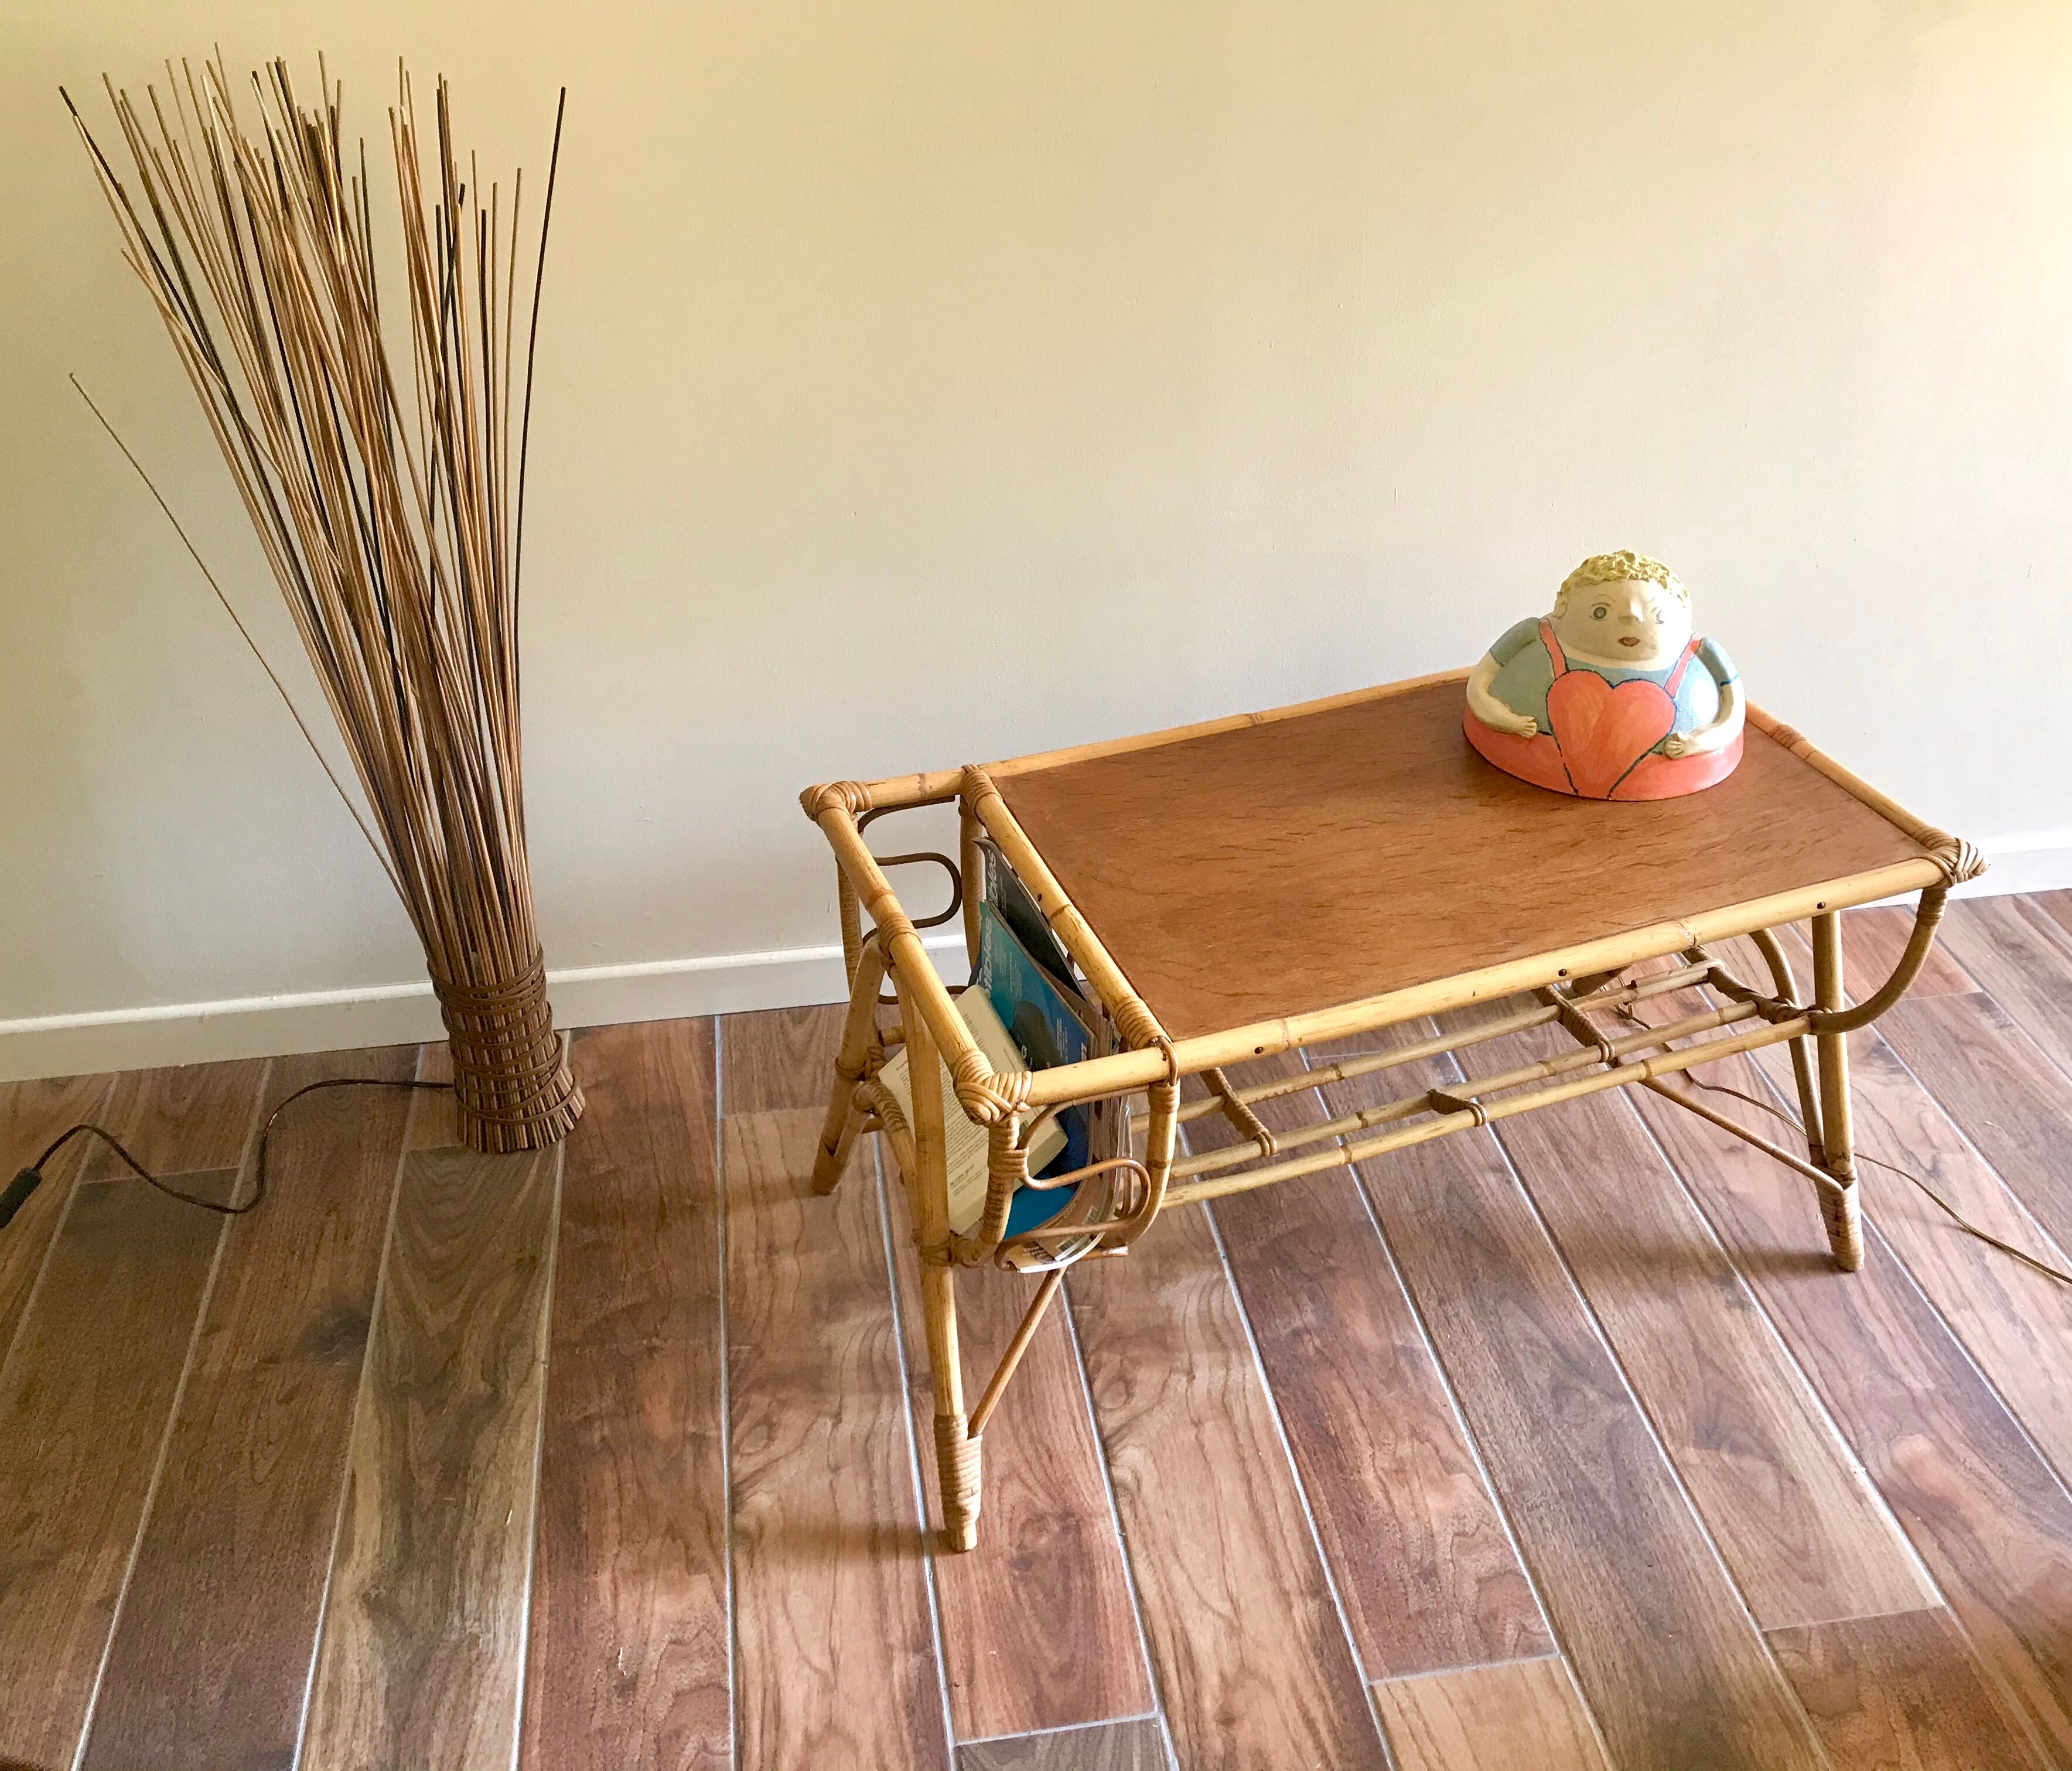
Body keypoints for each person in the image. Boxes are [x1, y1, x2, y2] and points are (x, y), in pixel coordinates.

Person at [1464, 551, 1743, 799]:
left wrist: (1697, 743)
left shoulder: (1701, 654)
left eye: (1658, 614)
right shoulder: (1534, 636)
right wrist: (1504, 720)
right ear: (1563, 609)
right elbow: (1479, 685)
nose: (1632, 618)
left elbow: (1733, 714)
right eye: (1600, 611)